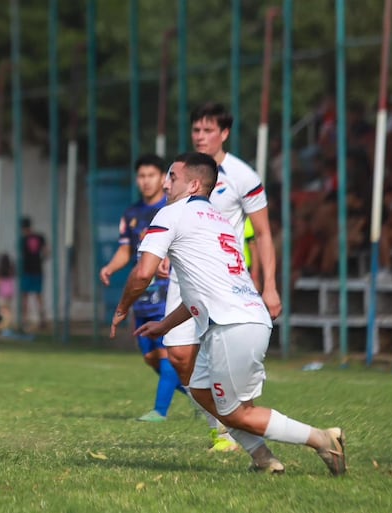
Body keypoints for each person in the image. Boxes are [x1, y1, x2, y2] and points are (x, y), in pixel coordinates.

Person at [110, 152, 346, 476]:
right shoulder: (218, 220)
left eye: (172, 177)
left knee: (238, 413)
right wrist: (165, 324)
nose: (166, 183)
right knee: (197, 387)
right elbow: (200, 292)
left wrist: (122, 307)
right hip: (245, 319)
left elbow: (142, 273)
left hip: (233, 326)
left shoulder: (172, 213)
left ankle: (322, 439)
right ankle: (263, 459)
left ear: (193, 184)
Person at [164, 103, 282, 452]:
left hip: (223, 281)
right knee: (179, 355)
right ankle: (222, 418)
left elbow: (262, 233)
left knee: (217, 356)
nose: (200, 136)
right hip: (184, 276)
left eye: (208, 130)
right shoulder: (183, 169)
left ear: (224, 133)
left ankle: (228, 430)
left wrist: (270, 287)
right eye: (196, 130)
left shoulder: (242, 176)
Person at [99, 154, 186, 422]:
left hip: (168, 292)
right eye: (141, 176)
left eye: (151, 175)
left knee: (167, 354)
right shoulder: (132, 213)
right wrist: (111, 267)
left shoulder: (174, 208)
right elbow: (126, 250)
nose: (146, 181)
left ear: (163, 178)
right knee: (152, 358)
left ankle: (160, 412)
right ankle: (203, 399)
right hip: (143, 295)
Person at [20, 217, 49, 329]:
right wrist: (40, 259)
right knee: (38, 296)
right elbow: (46, 252)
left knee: (25, 297)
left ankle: (24, 321)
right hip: (37, 269)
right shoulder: (39, 237)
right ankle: (43, 319)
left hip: (27, 270)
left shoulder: (22, 239)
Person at [0, 253, 16, 331]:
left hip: (2, 292)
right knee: (8, 309)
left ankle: (6, 323)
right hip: (10, 292)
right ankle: (7, 322)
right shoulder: (11, 270)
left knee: (3, 309)